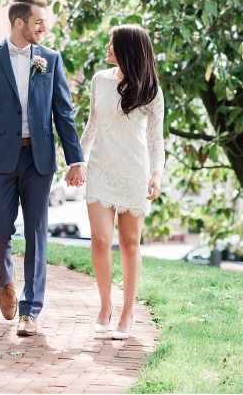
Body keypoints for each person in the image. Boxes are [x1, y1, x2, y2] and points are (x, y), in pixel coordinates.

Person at [0, 0, 86, 337]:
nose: (44, 28)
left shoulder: (50, 59)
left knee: (36, 232)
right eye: (38, 22)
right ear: (20, 23)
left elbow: (63, 112)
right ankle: (6, 282)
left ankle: (30, 310)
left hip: (40, 158)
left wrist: (75, 159)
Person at [79, 24, 165, 340]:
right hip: (100, 168)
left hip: (134, 171)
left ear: (127, 49)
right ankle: (105, 305)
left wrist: (156, 174)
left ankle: (128, 313)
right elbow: (91, 125)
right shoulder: (100, 81)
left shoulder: (151, 89)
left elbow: (156, 139)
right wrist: (78, 161)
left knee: (129, 245)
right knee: (100, 241)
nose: (106, 47)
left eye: (111, 43)